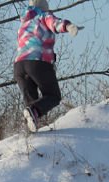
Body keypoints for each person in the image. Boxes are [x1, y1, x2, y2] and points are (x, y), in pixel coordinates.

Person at [13, 0, 82, 132]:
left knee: (31, 104)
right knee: (53, 96)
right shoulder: (43, 16)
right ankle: (33, 113)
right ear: (43, 7)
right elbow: (55, 23)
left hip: (19, 66)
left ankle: (27, 132)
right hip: (37, 62)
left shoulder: (23, 24)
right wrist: (69, 26)